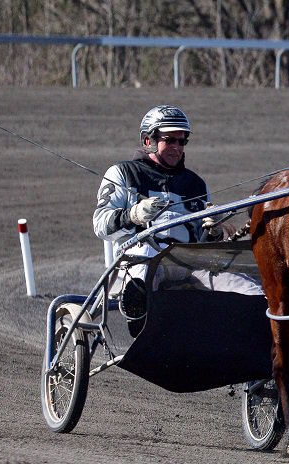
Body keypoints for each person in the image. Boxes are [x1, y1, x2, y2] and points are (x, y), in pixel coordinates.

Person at [93, 105, 241, 320]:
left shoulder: (196, 184)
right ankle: (139, 313)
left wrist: (214, 231)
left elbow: (202, 241)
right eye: (169, 140)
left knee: (245, 288)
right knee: (144, 264)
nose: (177, 147)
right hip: (141, 258)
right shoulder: (123, 173)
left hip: (189, 262)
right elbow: (100, 225)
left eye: (182, 141)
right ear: (148, 141)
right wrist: (133, 215)